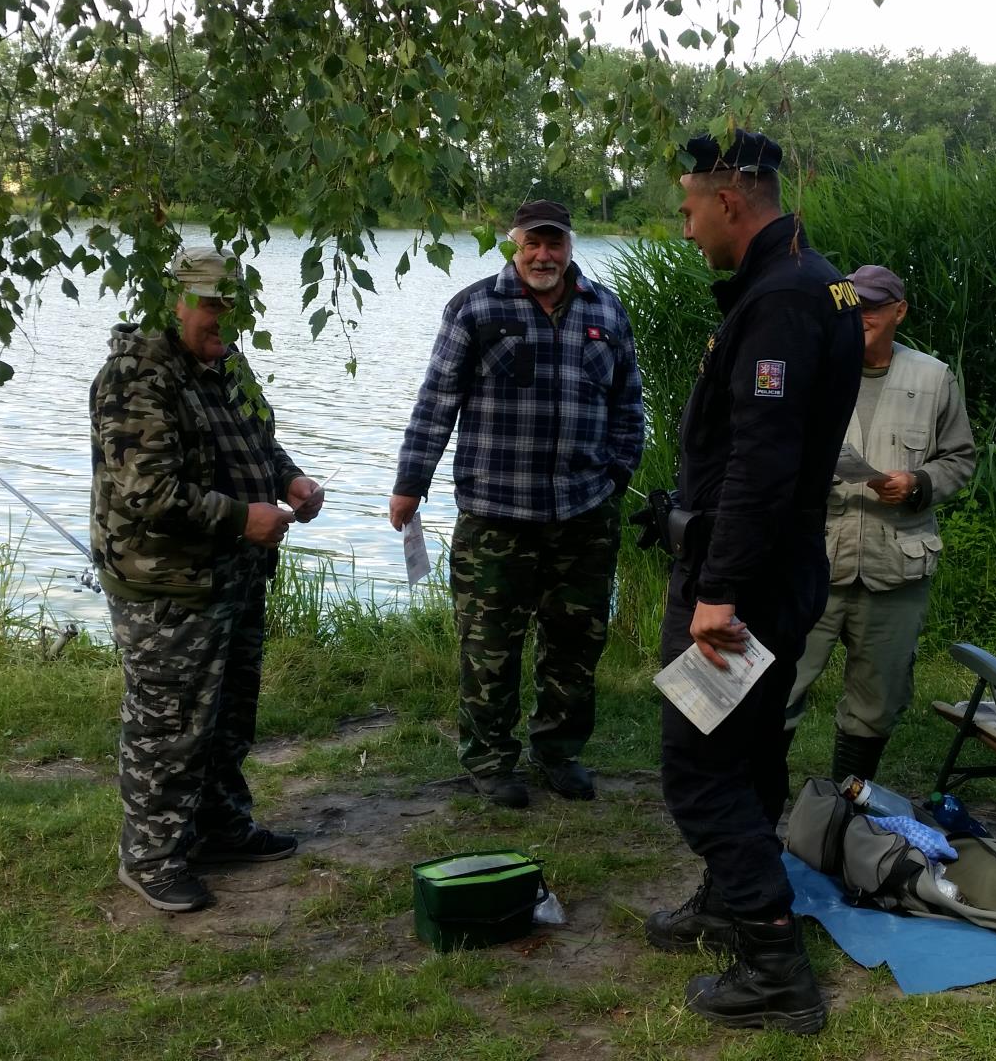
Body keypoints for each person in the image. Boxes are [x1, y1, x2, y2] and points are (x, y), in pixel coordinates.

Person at [643, 130, 863, 1035]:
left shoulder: (778, 301)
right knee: (753, 746)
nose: (687, 228)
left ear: (731, 198)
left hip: (747, 584)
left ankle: (773, 960)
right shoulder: (831, 282)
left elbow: (762, 466)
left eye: (690, 208)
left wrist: (718, 593)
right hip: (785, 571)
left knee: (696, 767)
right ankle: (732, 903)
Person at [90, 246, 326, 913]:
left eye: (231, 302)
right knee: (169, 723)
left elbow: (258, 442)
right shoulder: (136, 378)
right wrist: (242, 518)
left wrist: (289, 480)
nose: (220, 315)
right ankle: (152, 857)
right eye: (208, 301)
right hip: (168, 584)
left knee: (227, 716)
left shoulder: (226, 366)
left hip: (233, 577)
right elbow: (148, 492)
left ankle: (221, 827)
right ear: (176, 301)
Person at [388, 199, 643, 808]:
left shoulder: (606, 310)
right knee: (489, 647)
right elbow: (436, 402)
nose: (543, 255)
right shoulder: (474, 308)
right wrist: (409, 483)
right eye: (532, 243)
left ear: (570, 247)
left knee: (576, 646)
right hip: (496, 516)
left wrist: (616, 474)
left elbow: (629, 406)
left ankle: (558, 753)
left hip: (584, 514)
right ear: (515, 244)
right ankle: (490, 760)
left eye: (554, 244)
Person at [784, 263, 976, 782]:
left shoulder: (933, 377)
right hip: (813, 563)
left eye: (872, 306)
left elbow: (960, 458)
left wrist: (917, 485)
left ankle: (850, 807)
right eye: (853, 303)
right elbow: (771, 451)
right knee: (779, 683)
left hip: (896, 567)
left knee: (878, 699)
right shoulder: (812, 369)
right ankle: (760, 805)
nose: (861, 314)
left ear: (899, 311)